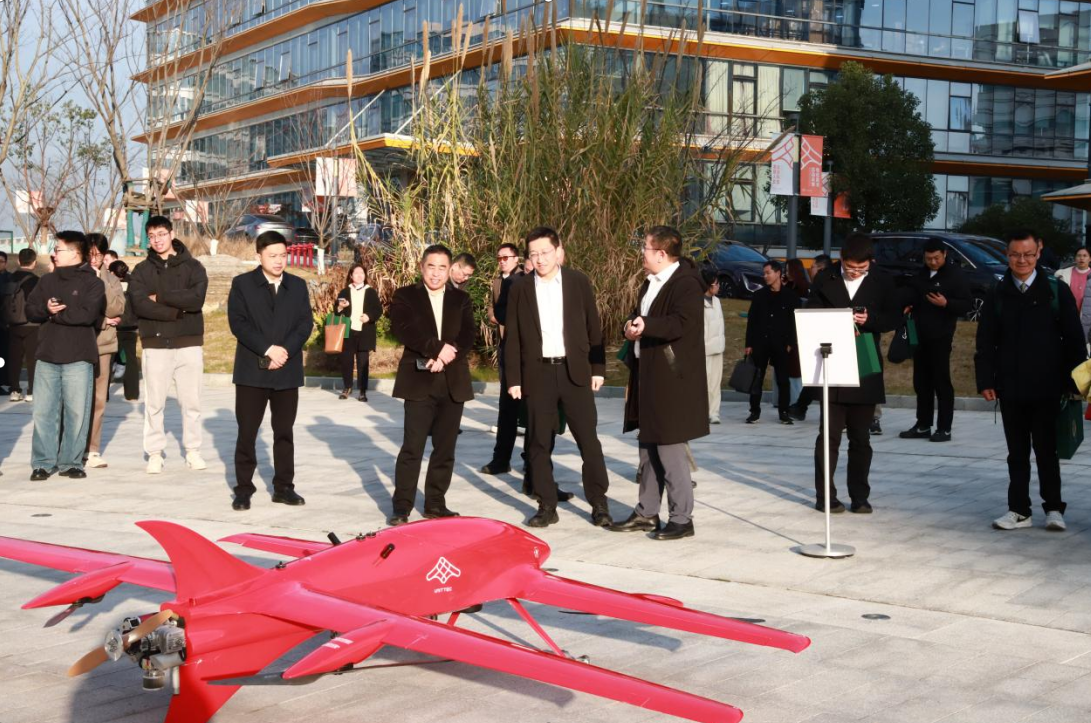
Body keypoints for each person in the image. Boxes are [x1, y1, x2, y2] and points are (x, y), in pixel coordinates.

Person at [976, 229, 1086, 532]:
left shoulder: (1055, 290)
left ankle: (1054, 508)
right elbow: (985, 341)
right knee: (1017, 453)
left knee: (1047, 451)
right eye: (1015, 254)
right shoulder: (997, 292)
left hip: (1048, 385)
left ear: (1038, 253)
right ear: (1007, 255)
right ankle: (1019, 510)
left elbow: (1074, 339)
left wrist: (1074, 381)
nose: (1021, 260)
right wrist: (985, 379)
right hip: (1010, 385)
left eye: (1028, 254)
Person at [505, 226, 613, 529]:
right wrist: (514, 379)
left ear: (558, 251)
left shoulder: (578, 282)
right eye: (534, 254)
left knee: (588, 441)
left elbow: (594, 327)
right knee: (538, 443)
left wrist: (597, 368)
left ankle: (599, 502)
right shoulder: (520, 288)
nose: (540, 259)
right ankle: (546, 504)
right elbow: (512, 337)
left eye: (545, 252)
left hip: (574, 372)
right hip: (537, 374)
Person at [611, 226, 708, 540]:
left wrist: (647, 325)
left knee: (669, 448)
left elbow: (681, 323)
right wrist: (630, 325)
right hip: (648, 374)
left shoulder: (686, 284)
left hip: (672, 378)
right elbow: (638, 316)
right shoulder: (650, 282)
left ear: (662, 254)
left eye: (646, 248)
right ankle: (646, 513)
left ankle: (682, 518)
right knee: (648, 446)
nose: (642, 253)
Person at [807, 233, 899, 514]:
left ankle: (860, 496)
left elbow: (893, 317)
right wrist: (837, 321)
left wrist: (870, 319)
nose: (855, 272)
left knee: (861, 438)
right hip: (832, 360)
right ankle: (825, 496)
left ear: (871, 262)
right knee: (829, 436)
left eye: (861, 268)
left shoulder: (882, 281)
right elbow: (810, 313)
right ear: (841, 259)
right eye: (850, 267)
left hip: (864, 360)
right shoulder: (825, 278)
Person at [387, 244, 475, 526]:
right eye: (431, 266)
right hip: (419, 380)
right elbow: (404, 330)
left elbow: (468, 334)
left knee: (445, 449)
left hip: (452, 382)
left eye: (442, 267)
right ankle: (402, 506)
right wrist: (436, 350)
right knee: (412, 447)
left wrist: (447, 356)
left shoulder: (461, 299)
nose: (436, 273)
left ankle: (435, 503)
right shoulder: (406, 296)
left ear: (450, 270)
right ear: (421, 267)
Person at [227, 231, 314, 511]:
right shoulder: (243, 284)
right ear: (259, 256)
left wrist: (283, 351)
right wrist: (267, 350)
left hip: (286, 370)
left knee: (284, 431)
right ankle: (243, 489)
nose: (279, 261)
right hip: (252, 371)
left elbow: (305, 324)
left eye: (283, 255)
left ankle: (284, 487)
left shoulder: (297, 285)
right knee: (247, 432)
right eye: (272, 255)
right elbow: (238, 323)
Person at [129, 215, 209, 474]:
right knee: (154, 404)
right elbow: (140, 304)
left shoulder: (194, 267)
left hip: (188, 343)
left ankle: (193, 451)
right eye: (151, 236)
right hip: (155, 344)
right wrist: (176, 311)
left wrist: (161, 297)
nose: (157, 240)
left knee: (192, 402)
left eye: (161, 234)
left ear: (172, 234)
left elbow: (195, 299)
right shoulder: (141, 271)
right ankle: (154, 453)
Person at [24, 231, 105, 480]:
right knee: (43, 412)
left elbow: (87, 315)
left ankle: (71, 462)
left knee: (77, 412)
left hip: (79, 355)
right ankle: (43, 462)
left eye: (58, 249)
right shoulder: (46, 280)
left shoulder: (93, 283)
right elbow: (30, 310)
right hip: (47, 354)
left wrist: (55, 315)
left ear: (75, 253)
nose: (54, 253)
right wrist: (46, 309)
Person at [898, 238, 971, 443]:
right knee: (921, 382)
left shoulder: (955, 275)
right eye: (929, 258)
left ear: (944, 254)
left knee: (941, 381)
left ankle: (944, 428)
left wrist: (946, 303)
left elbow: (966, 304)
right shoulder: (921, 274)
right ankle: (923, 424)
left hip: (941, 335)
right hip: (919, 334)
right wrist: (907, 305)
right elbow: (912, 293)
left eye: (936, 258)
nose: (932, 262)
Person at [481, 243, 524, 474]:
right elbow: (493, 306)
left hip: (525, 349)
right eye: (499, 258)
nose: (502, 261)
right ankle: (501, 459)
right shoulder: (498, 281)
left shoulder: (525, 278)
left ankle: (531, 461)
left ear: (516, 258)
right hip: (505, 345)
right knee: (506, 406)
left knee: (528, 409)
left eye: (506, 257)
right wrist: (494, 315)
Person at [84, 233, 126, 469]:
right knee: (75, 399)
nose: (94, 259)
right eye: (90, 254)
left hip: (103, 346)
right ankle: (72, 447)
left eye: (99, 255)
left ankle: (93, 449)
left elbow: (117, 308)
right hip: (77, 343)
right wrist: (103, 321)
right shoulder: (76, 276)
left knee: (99, 400)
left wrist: (100, 280)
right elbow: (79, 311)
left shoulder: (110, 278)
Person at [743, 260, 800, 425]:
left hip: (781, 344)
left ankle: (784, 412)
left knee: (783, 380)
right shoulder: (759, 295)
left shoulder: (791, 296)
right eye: (764, 273)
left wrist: (790, 343)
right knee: (757, 379)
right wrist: (749, 344)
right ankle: (754, 411)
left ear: (778, 273)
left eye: (768, 273)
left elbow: (795, 322)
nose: (765, 276)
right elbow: (752, 322)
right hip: (760, 344)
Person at [334, 264, 383, 401]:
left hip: (364, 331)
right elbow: (336, 311)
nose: (359, 275)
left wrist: (369, 316)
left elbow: (378, 310)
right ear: (351, 275)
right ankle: (347, 387)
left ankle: (362, 390)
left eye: (362, 273)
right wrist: (340, 307)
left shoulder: (370, 292)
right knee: (346, 361)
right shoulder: (345, 292)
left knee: (363, 362)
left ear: (365, 275)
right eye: (356, 273)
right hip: (348, 331)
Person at [4, 248, 40, 402]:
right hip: (32, 324)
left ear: (19, 261)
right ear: (34, 262)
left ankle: (14, 390)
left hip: (13, 324)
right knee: (32, 359)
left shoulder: (9, 279)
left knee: (14, 358)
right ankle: (31, 391)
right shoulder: (37, 280)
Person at [109, 260, 141, 401]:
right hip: (131, 326)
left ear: (112, 272)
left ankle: (104, 394)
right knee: (131, 360)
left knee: (108, 359)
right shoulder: (134, 282)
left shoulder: (110, 284)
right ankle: (132, 393)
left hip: (114, 326)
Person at [702, 269, 725, 425]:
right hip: (704, 349)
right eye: (716, 284)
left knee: (715, 383)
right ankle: (703, 411)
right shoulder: (698, 302)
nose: (718, 286)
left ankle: (714, 412)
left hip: (718, 348)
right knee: (705, 383)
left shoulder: (717, 301)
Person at [1056, 246, 1091, 342]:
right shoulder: (1062, 274)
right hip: (1067, 317)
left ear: (1090, 259)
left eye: (1085, 256)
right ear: (1075, 258)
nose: (1081, 258)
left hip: (1087, 320)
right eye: (1079, 255)